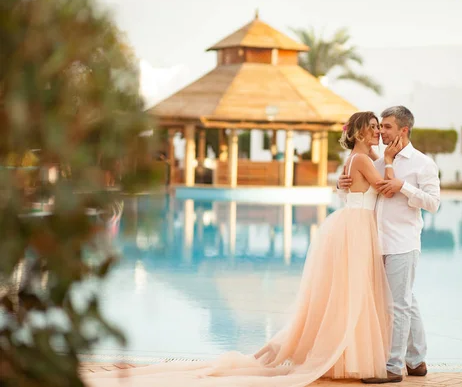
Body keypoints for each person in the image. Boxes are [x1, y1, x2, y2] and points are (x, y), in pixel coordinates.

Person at [84, 111, 404, 387]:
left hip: (352, 225)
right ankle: (350, 358)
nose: (378, 132)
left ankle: (346, 356)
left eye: (380, 127)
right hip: (356, 228)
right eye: (374, 126)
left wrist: (360, 171)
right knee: (354, 292)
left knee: (350, 293)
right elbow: (383, 189)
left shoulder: (358, 159)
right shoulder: (365, 159)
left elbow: (353, 183)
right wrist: (389, 162)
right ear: (361, 131)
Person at [338, 106, 440, 384]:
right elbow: (360, 187)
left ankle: (394, 367)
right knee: (406, 301)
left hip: (402, 243)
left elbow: (433, 203)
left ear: (403, 130)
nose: (380, 132)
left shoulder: (423, 164)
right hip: (375, 243)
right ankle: (416, 361)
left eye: (386, 127)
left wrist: (403, 187)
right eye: (379, 127)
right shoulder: (380, 161)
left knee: (399, 305)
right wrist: (341, 183)